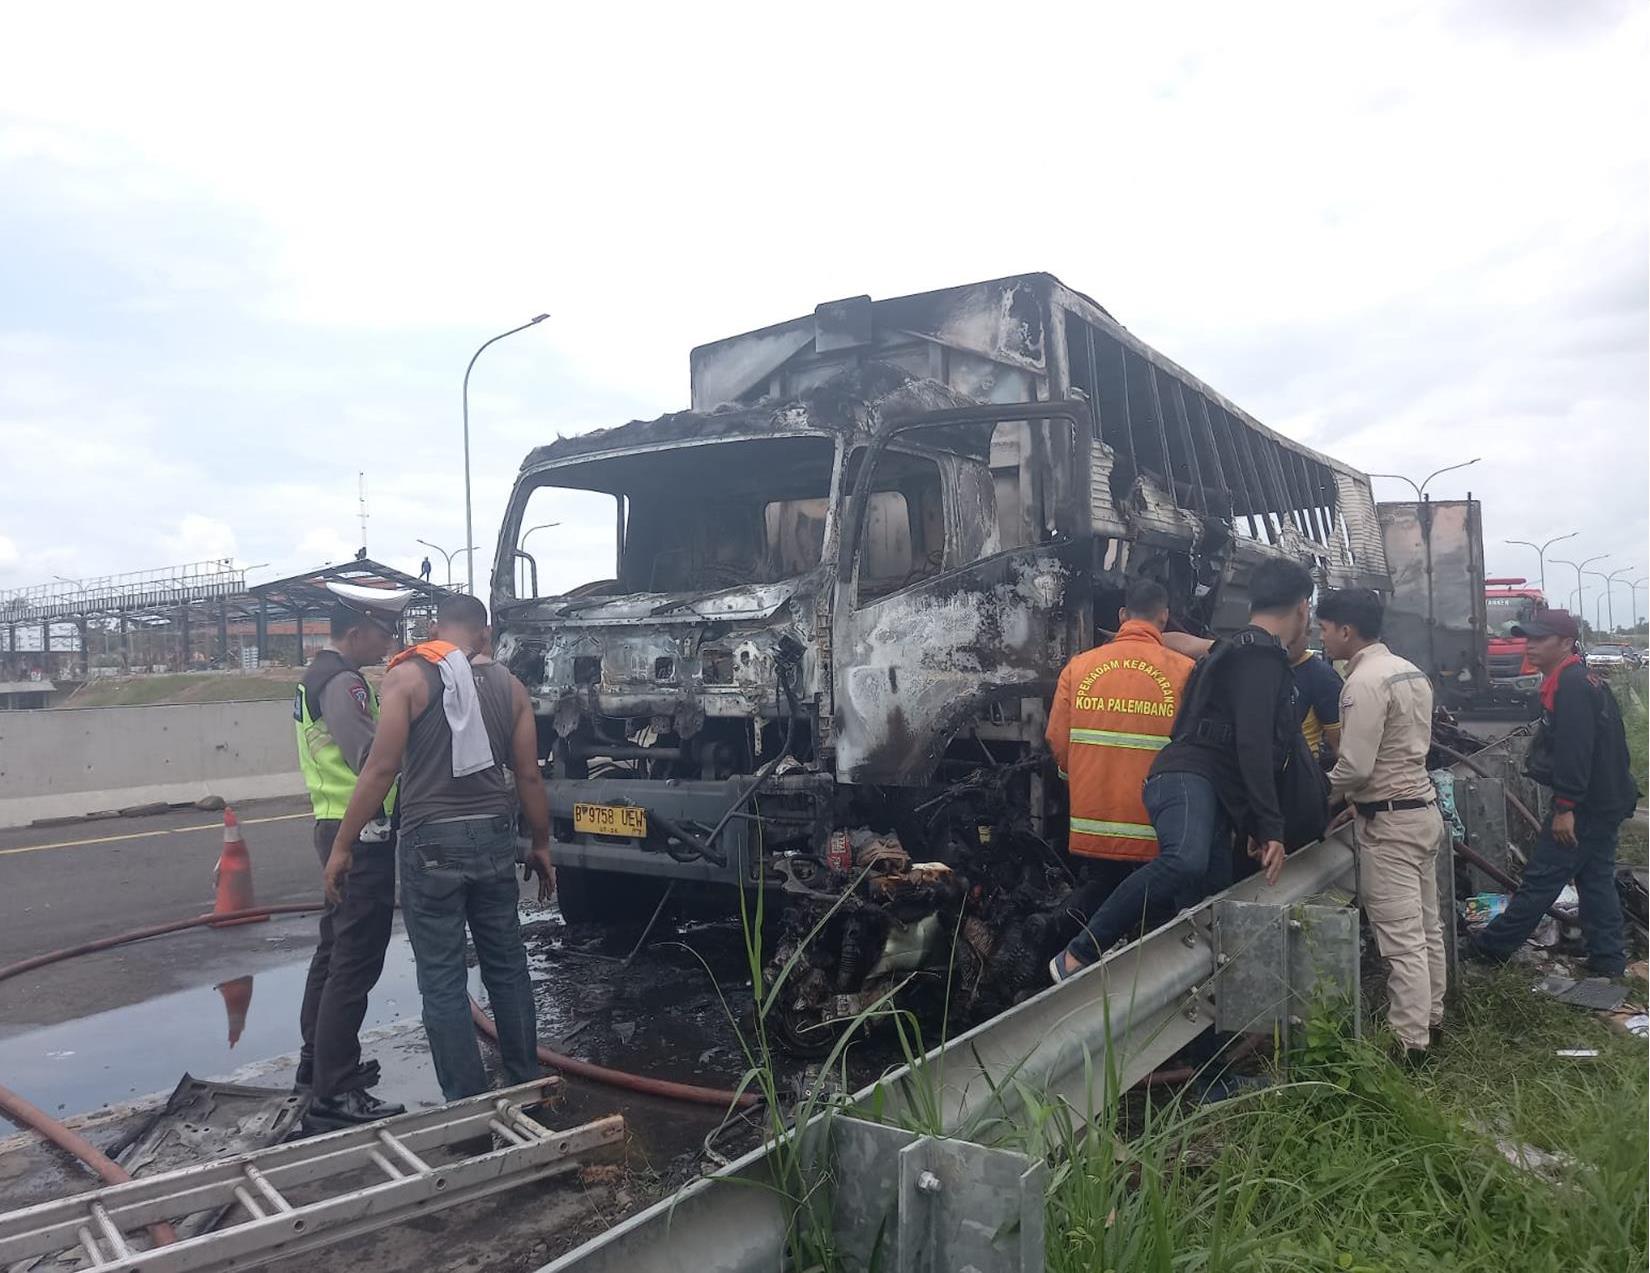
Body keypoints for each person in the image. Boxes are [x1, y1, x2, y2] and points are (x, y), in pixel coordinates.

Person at [329, 594, 555, 1100]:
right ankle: (525, 1083)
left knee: (443, 980)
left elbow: (381, 768)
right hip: (495, 835)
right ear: (485, 634)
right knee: (508, 966)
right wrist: (540, 843)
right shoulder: (511, 687)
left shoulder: (406, 678)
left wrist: (343, 844)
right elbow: (527, 776)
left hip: (430, 841)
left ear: (435, 629)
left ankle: (468, 1106)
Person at [1052, 558, 1316, 979]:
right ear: (1303, 607)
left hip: (1190, 783)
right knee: (1185, 861)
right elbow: (1251, 745)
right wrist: (1269, 828)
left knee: (1209, 894)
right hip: (1188, 778)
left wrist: (1248, 822)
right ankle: (1078, 954)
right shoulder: (1261, 658)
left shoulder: (1234, 649)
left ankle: (1197, 993)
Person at [293, 583, 415, 1126]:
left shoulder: (317, 675)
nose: (388, 643)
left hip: (333, 821)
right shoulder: (344, 684)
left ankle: (317, 1065)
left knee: (332, 948)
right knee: (354, 959)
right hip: (357, 830)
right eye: (385, 632)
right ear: (358, 629)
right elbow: (369, 755)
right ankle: (335, 1091)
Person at [1469, 609, 1635, 978]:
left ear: (1565, 642)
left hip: (1587, 806)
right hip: (1604, 801)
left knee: (1541, 881)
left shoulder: (1573, 685)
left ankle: (1491, 949)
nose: (1530, 645)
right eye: (1527, 637)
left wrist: (1565, 807)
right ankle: (1609, 961)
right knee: (1595, 880)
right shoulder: (1577, 678)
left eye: (1539, 638)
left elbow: (1576, 753)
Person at [1317, 588, 1445, 1062]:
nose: (1322, 637)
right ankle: (1432, 1017)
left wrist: (1322, 797)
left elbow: (1355, 767)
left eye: (1326, 629)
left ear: (1347, 630)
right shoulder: (1412, 672)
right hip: (1421, 811)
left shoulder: (1362, 683)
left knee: (1400, 938)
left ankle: (1409, 1043)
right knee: (1428, 927)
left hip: (1389, 826)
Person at [1045, 580, 1195, 976]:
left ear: (1122, 617)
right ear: (1163, 617)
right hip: (1156, 831)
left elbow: (1057, 741)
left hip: (1096, 825)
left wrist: (1073, 777)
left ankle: (1063, 966)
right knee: (1152, 919)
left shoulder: (1079, 667)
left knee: (1096, 899)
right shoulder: (1185, 672)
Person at [1290, 630, 1342, 766]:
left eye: (1292, 636)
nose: (1286, 642)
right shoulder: (1268, 668)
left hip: (1301, 770)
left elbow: (1337, 744)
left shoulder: (1322, 676)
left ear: (1307, 633)